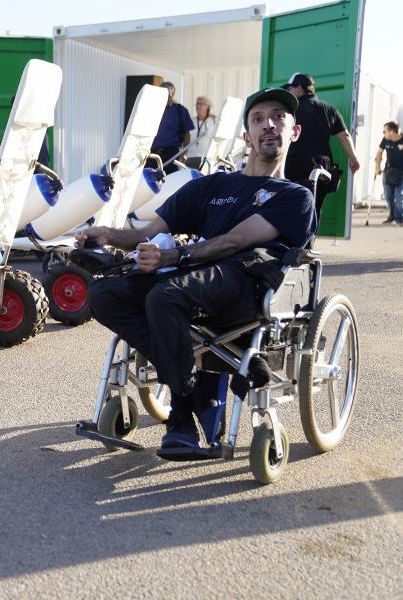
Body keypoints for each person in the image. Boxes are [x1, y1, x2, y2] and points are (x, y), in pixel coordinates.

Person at [77, 87, 317, 452]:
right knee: (105, 294)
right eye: (258, 119)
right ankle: (191, 379)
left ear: (293, 131)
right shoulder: (211, 186)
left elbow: (236, 241)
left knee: (165, 296)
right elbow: (146, 233)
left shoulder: (295, 197)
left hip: (244, 282)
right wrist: (106, 234)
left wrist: (173, 258)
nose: (268, 125)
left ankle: (181, 416)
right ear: (246, 136)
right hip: (192, 277)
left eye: (278, 118)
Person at [282, 73, 360, 218]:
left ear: (299, 88)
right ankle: (310, 239)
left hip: (293, 165)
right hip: (320, 168)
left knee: (290, 209)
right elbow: (344, 136)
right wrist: (353, 159)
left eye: (289, 88)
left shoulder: (289, 110)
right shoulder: (329, 109)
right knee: (314, 210)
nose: (288, 92)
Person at [150, 82, 195, 174]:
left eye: (168, 94)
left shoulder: (180, 110)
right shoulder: (152, 109)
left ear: (172, 94)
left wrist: (184, 152)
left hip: (171, 154)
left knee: (168, 180)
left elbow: (187, 134)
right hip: (152, 154)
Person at [374, 120, 403, 225]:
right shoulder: (385, 140)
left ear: (391, 131)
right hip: (388, 172)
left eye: (384, 131)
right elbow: (379, 153)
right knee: (388, 196)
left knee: (399, 197)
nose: (383, 133)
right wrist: (377, 167)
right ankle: (391, 216)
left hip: (401, 173)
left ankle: (399, 218)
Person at [185, 96, 217, 171]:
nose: (198, 106)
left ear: (208, 106)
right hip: (191, 157)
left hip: (206, 158)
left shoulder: (214, 121)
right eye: (197, 104)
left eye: (201, 104)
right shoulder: (191, 121)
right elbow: (186, 139)